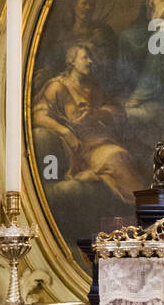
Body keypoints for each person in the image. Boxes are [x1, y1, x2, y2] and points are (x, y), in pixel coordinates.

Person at [32, 44, 138, 204]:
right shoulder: (57, 87)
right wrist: (64, 131)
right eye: (85, 58)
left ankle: (140, 209)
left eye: (90, 58)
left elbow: (116, 110)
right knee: (115, 158)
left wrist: (99, 113)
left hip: (99, 141)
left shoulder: (92, 88)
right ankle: (139, 207)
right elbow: (37, 116)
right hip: (79, 146)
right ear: (72, 62)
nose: (90, 62)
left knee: (121, 156)